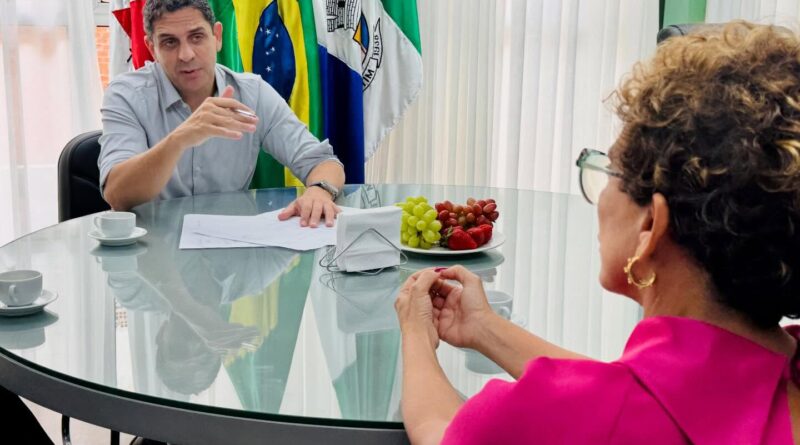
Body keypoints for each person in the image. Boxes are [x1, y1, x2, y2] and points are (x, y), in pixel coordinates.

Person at [395, 21, 800, 444]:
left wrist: (415, 333)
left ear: (651, 226)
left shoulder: (572, 415)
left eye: (610, 170)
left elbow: (440, 431)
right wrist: (484, 327)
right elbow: (634, 394)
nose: (602, 194)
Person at [98, 0, 344, 227]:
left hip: (230, 247)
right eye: (170, 42)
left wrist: (320, 190)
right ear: (152, 48)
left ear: (217, 37)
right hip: (153, 248)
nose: (186, 55)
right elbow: (117, 195)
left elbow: (323, 162)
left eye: (196, 37)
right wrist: (179, 139)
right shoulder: (126, 95)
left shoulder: (252, 93)